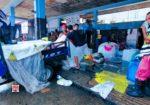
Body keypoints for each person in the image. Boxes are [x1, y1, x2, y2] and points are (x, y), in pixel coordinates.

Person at [127, 12, 150, 97]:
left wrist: (143, 30)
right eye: (146, 18)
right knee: (148, 73)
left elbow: (147, 40)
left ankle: (138, 92)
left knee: (141, 73)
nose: (147, 20)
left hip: (148, 55)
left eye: (149, 18)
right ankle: (146, 91)